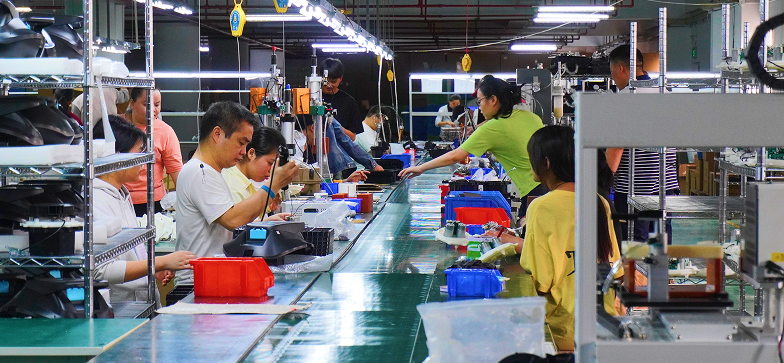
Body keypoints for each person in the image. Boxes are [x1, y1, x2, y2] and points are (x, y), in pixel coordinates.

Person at [519, 125, 623, 351]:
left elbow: (540, 279)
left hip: (563, 333)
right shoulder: (599, 201)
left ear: (546, 163)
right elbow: (616, 269)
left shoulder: (541, 206)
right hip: (604, 328)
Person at [174, 102, 299, 283]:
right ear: (217, 134)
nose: (243, 152)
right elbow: (233, 220)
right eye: (241, 143)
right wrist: (273, 185)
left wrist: (264, 222)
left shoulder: (211, 172)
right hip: (196, 283)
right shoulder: (200, 173)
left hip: (211, 278)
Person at [400, 76, 545, 215]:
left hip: (533, 192)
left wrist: (421, 168)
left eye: (480, 101)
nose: (479, 108)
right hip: (552, 186)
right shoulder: (531, 117)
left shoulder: (492, 128)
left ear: (493, 100)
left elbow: (455, 156)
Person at [92, 115, 196, 304]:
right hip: (120, 311)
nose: (143, 162)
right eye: (139, 153)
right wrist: (159, 262)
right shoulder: (97, 200)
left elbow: (130, 252)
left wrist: (152, 270)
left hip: (139, 303)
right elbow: (101, 269)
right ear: (117, 157)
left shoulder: (121, 193)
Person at [605, 44, 679, 242]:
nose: (613, 78)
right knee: (661, 242)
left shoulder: (623, 99)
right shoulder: (666, 93)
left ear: (620, 68)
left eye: (612, 72)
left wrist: (604, 180)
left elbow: (617, 146)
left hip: (633, 186)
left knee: (635, 243)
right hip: (665, 183)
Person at [122, 88, 183, 217]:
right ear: (132, 104)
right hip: (120, 200)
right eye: (147, 105)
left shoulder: (166, 132)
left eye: (157, 105)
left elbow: (177, 172)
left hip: (154, 202)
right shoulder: (117, 126)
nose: (153, 110)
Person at [221, 126, 302, 217]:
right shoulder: (233, 187)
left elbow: (250, 220)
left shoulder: (245, 182)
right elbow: (239, 222)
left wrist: (269, 219)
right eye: (270, 163)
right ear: (251, 154)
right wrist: (274, 186)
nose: (271, 170)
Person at [295, 114, 383, 180]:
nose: (320, 138)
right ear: (313, 128)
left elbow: (347, 141)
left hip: (331, 169)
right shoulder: (298, 142)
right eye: (321, 133)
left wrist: (372, 164)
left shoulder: (326, 119)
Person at [319, 58, 364, 140]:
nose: (329, 85)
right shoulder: (310, 98)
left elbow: (352, 137)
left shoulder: (349, 102)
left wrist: (334, 125)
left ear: (341, 78)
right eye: (326, 81)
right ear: (319, 77)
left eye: (333, 82)